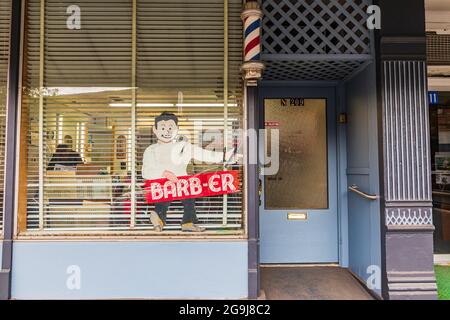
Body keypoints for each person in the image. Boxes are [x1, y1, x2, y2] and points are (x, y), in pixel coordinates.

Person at [142, 112, 237, 232]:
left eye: (170, 128)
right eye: (163, 128)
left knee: (189, 198)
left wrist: (224, 157)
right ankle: (159, 218)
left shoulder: (183, 146)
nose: (167, 131)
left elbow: (203, 154)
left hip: (182, 184)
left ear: (177, 129)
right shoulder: (151, 150)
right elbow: (146, 171)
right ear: (155, 130)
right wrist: (164, 173)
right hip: (162, 186)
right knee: (164, 198)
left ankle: (185, 222)